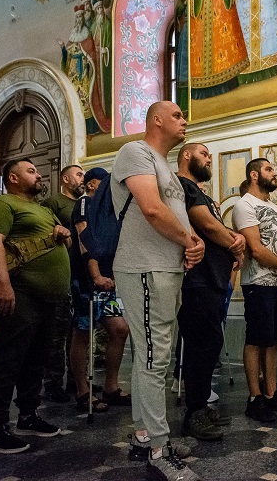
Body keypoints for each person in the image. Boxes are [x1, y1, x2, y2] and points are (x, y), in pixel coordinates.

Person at [111, 101, 204, 481]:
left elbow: (173, 215)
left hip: (165, 268)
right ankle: (158, 450)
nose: (184, 120)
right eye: (177, 115)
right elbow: (151, 209)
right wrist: (188, 240)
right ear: (157, 120)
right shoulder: (135, 152)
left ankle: (144, 435)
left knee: (151, 355)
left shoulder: (164, 165)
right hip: (145, 268)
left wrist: (193, 243)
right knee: (155, 358)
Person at [0, 158, 71, 454]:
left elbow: (61, 245)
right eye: (31, 171)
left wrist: (63, 234)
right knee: (8, 361)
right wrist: (3, 286)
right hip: (20, 295)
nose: (38, 174)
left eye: (37, 170)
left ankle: (28, 416)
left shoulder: (43, 210)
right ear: (13, 178)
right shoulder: (2, 204)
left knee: (36, 360)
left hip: (48, 299)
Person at [175, 143, 244, 440]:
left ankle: (200, 405)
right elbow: (208, 226)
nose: (209, 160)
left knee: (209, 343)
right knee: (201, 344)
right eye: (204, 154)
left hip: (211, 279)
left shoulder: (200, 191)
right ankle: (194, 412)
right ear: (187, 156)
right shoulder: (183, 186)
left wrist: (232, 242)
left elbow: (215, 226)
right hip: (197, 280)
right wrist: (235, 243)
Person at [233, 158, 277, 423]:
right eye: (269, 169)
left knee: (272, 340)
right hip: (258, 283)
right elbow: (257, 249)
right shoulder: (244, 205)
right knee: (255, 340)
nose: (275, 174)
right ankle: (255, 397)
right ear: (254, 175)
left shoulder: (273, 206)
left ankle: (271, 393)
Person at [68, 167, 131, 413]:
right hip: (86, 281)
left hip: (106, 281)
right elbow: (85, 239)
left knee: (119, 330)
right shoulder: (85, 204)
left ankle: (110, 388)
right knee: (83, 333)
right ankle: (82, 391)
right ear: (92, 184)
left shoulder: (109, 210)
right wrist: (95, 275)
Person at [41, 164, 85, 403]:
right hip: (60, 273)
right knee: (57, 331)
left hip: (80, 272)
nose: (83, 178)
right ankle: (53, 382)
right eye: (78, 174)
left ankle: (76, 381)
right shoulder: (54, 203)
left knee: (79, 330)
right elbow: (44, 233)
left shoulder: (85, 203)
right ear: (65, 179)